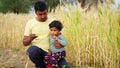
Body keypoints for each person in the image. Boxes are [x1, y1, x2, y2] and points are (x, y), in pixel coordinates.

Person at [23, 1, 70, 68]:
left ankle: (48, 63)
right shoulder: (30, 23)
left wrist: (59, 43)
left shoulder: (53, 22)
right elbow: (24, 43)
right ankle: (40, 65)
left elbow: (60, 36)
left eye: (45, 13)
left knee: (65, 67)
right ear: (36, 13)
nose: (43, 16)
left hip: (54, 52)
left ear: (47, 11)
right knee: (32, 50)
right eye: (40, 14)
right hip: (39, 53)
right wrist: (31, 38)